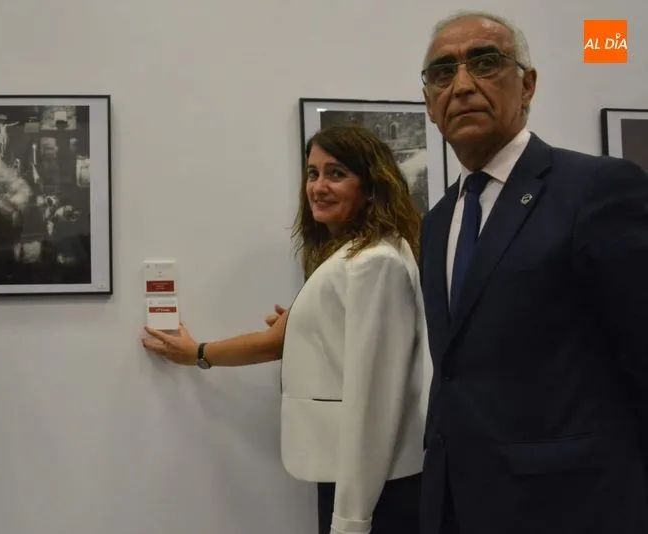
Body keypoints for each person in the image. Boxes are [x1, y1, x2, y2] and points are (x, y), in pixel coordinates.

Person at [417, 11, 648, 534]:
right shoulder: (436, 223)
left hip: (572, 506)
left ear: (528, 85)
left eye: (485, 62)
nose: (463, 84)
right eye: (442, 72)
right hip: (456, 503)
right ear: (430, 104)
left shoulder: (595, 190)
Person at [142, 124, 430, 534]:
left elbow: (376, 401)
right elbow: (296, 342)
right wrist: (308, 331)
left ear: (371, 186)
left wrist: (353, 517)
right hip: (362, 477)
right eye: (313, 173)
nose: (318, 186)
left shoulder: (373, 263)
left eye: (336, 173)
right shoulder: (362, 253)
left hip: (374, 486)